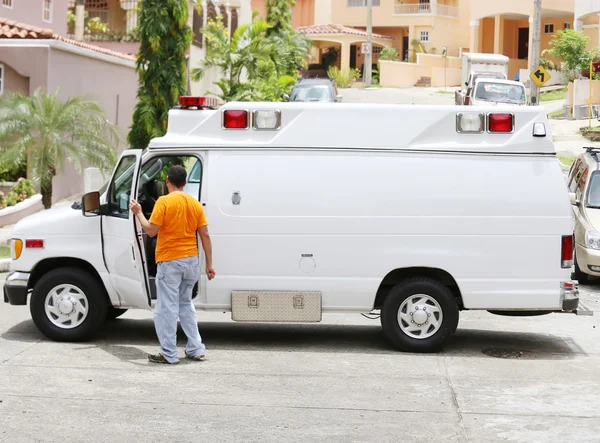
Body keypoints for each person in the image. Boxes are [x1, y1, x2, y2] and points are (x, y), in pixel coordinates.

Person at [129, 165, 215, 365]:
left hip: (170, 262)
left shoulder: (164, 201)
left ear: (167, 180)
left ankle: (169, 353)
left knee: (166, 308)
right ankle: (196, 349)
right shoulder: (194, 204)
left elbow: (151, 230)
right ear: (185, 182)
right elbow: (205, 235)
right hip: (191, 262)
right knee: (186, 305)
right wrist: (209, 265)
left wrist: (138, 212)